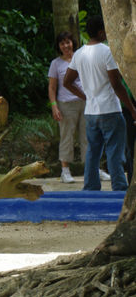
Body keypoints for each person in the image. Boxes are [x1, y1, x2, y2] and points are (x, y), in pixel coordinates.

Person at [63, 15, 136, 191]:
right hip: (110, 110)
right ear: (101, 32)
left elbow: (67, 82)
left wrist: (85, 96)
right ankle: (119, 187)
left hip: (91, 112)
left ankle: (90, 187)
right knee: (114, 151)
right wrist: (132, 108)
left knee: (93, 152)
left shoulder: (79, 54)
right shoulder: (107, 52)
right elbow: (116, 84)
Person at [47, 31, 89, 183]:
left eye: (68, 42)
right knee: (67, 137)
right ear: (59, 46)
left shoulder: (82, 58)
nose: (66, 45)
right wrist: (54, 107)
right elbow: (52, 88)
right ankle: (65, 171)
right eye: (62, 43)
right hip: (65, 105)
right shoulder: (56, 64)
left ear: (73, 42)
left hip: (86, 103)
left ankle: (92, 169)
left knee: (89, 136)